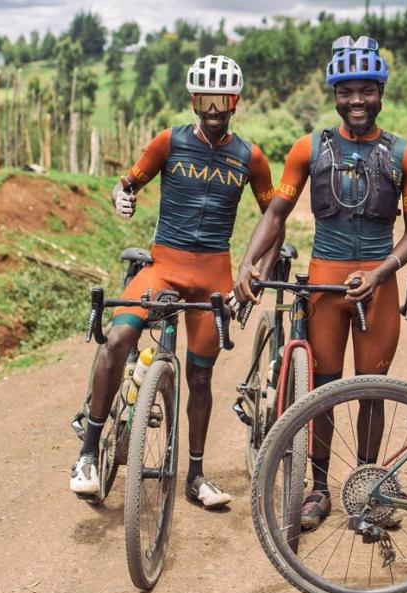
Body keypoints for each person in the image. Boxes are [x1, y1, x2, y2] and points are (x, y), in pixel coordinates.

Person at [234, 35, 407, 531]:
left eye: (365, 90)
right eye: (346, 92)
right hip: (325, 283)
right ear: (334, 94)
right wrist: (249, 261)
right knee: (322, 388)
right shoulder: (309, 149)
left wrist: (382, 272)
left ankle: (368, 485)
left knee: (372, 390)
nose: (356, 101)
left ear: (380, 91)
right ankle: (318, 488)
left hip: (377, 286)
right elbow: (276, 212)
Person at [70, 55, 274, 508]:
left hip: (214, 275)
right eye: (205, 98)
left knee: (200, 378)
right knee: (119, 336)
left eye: (221, 99)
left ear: (234, 101)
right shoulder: (169, 142)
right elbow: (126, 184)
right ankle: (87, 453)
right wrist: (122, 199)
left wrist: (255, 268)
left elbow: (273, 220)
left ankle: (196, 476)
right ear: (193, 100)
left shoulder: (250, 157)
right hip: (164, 265)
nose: (213, 108)